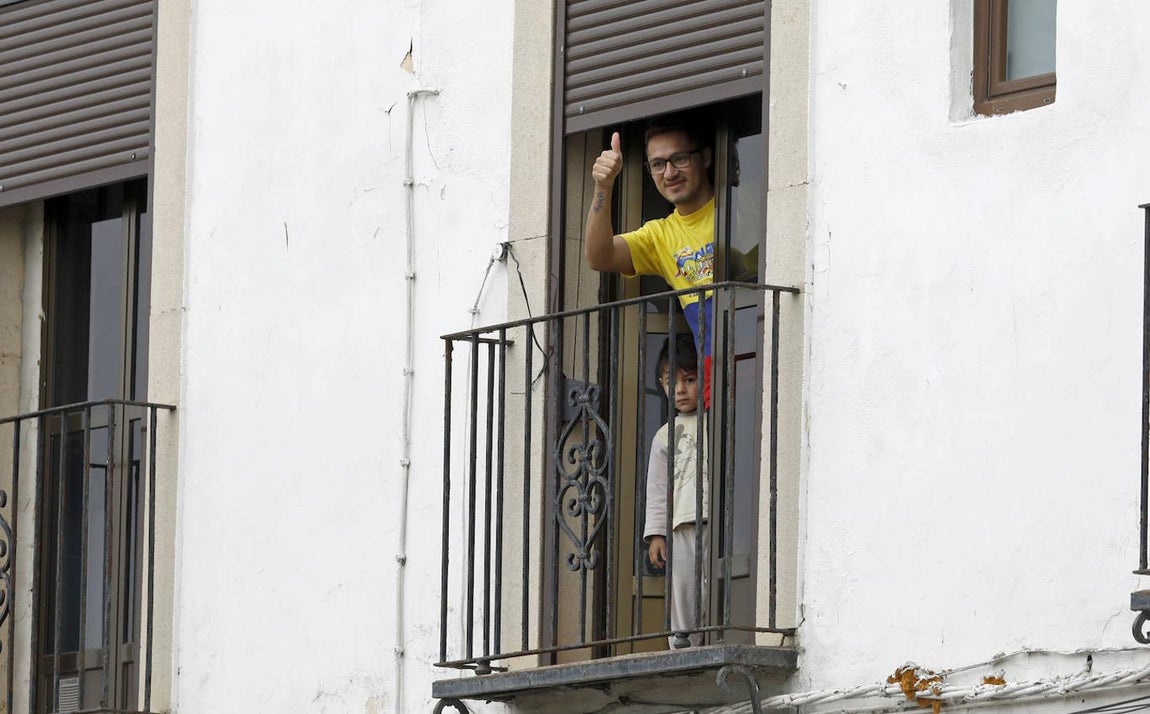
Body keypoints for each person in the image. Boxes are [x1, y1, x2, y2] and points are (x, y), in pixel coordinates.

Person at [584, 115, 716, 406]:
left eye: (679, 159)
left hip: (761, 349)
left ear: (705, 157)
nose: (669, 172)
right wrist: (604, 185)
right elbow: (598, 255)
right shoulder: (659, 235)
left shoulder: (745, 203)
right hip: (714, 366)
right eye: (657, 164)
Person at [644, 335, 709, 648]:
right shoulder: (664, 436)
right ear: (662, 383)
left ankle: (711, 645)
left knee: (715, 587)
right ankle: (682, 650)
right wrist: (657, 534)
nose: (680, 389)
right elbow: (658, 489)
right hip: (681, 523)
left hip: (714, 520)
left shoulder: (717, 422)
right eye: (672, 381)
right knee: (683, 590)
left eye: (690, 380)